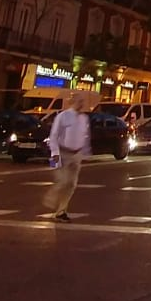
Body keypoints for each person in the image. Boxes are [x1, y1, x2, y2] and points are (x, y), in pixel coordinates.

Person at [45, 92, 90, 222]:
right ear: (73, 101)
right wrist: (54, 158)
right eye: (80, 101)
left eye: (83, 101)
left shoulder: (84, 118)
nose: (82, 103)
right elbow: (53, 136)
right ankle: (50, 198)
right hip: (62, 153)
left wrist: (86, 152)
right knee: (62, 181)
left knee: (71, 184)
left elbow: (85, 136)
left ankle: (61, 210)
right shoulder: (63, 116)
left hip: (77, 154)